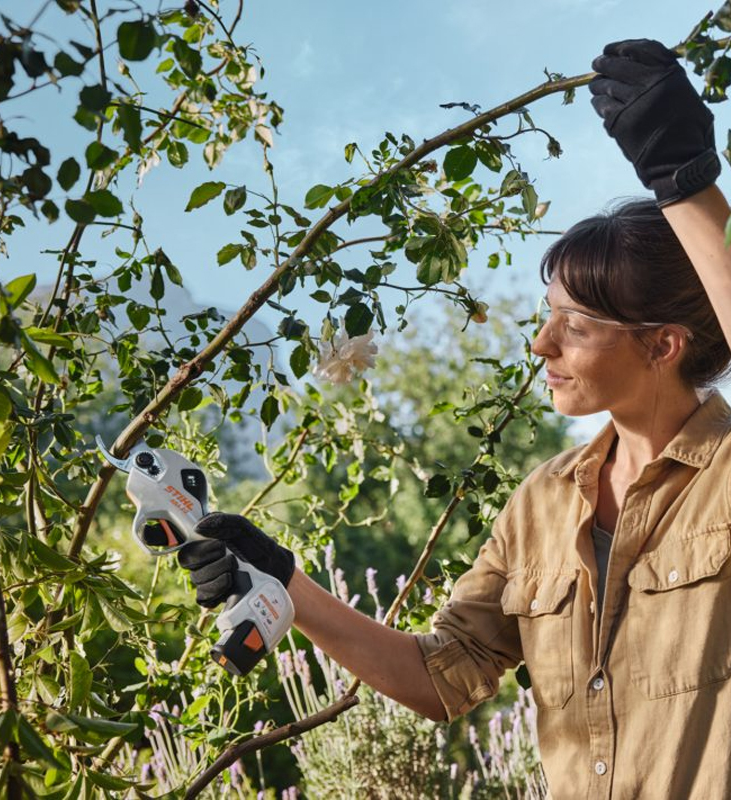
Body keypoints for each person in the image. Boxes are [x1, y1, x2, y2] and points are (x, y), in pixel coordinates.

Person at [178, 40, 731, 799]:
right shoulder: (543, 503)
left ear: (664, 344)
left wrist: (686, 186)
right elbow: (446, 677)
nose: (541, 344)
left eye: (575, 324)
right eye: (546, 317)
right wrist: (287, 586)